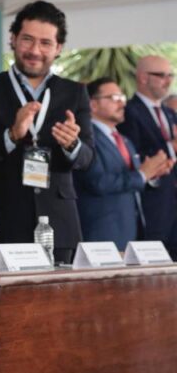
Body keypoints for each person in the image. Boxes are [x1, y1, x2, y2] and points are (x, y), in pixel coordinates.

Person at [0, 1, 93, 263]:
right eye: (27, 39)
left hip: (60, 226)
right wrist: (11, 135)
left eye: (45, 43)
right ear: (12, 39)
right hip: (3, 220)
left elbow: (88, 158)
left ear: (58, 48)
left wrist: (72, 145)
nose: (35, 50)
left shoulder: (75, 92)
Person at [76, 78, 173, 250]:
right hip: (100, 234)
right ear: (93, 104)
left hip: (132, 231)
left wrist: (152, 175)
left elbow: (134, 181)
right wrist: (142, 174)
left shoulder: (124, 140)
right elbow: (97, 183)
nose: (122, 103)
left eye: (122, 97)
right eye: (114, 98)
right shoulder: (86, 139)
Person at [118, 56, 177, 254]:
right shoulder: (128, 112)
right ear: (143, 78)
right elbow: (130, 156)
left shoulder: (170, 114)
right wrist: (170, 148)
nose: (168, 80)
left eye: (170, 75)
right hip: (151, 207)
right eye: (161, 75)